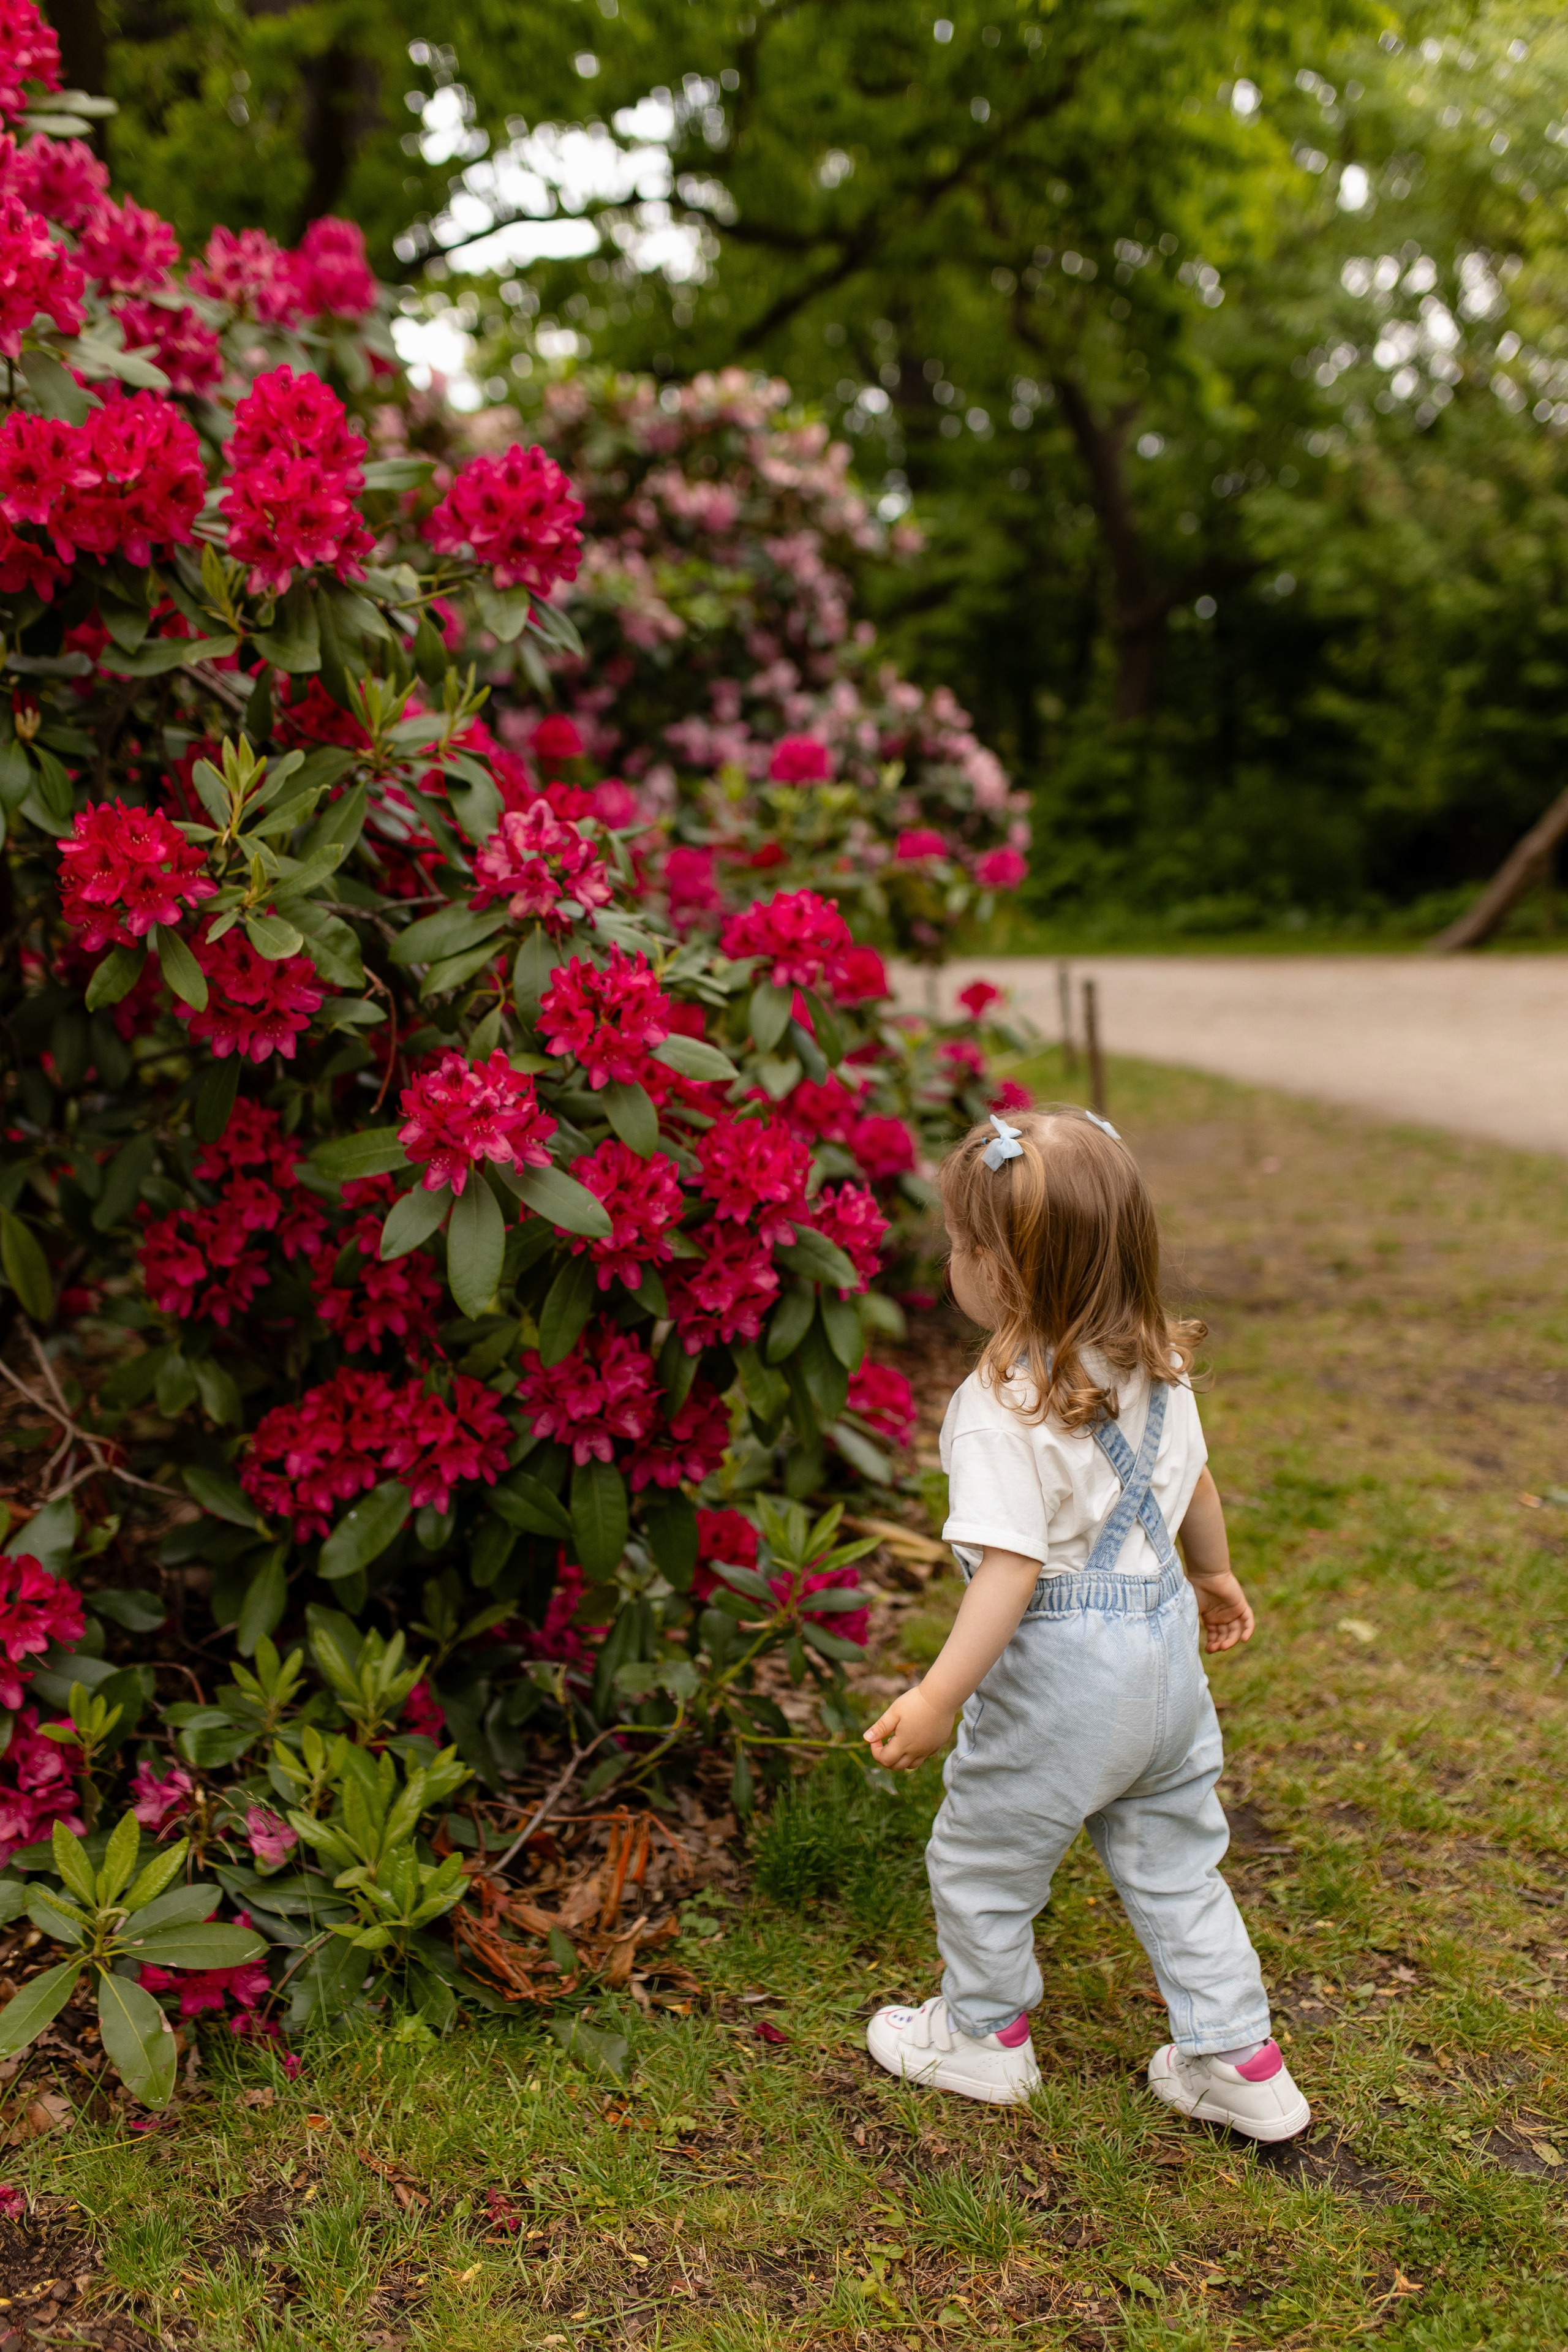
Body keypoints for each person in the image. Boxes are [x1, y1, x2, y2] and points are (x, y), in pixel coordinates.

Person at [862, 1105, 1308, 2141]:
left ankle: (981, 2037)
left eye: (963, 1243)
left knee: (983, 1856)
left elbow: (1010, 1573)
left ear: (1005, 1273)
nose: (951, 1257)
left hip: (1062, 1694)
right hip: (1163, 1671)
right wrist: (1215, 1573)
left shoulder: (999, 1410)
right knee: (1174, 1859)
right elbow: (1191, 1481)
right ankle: (1238, 2057)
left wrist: (938, 1697)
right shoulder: (1161, 1365)